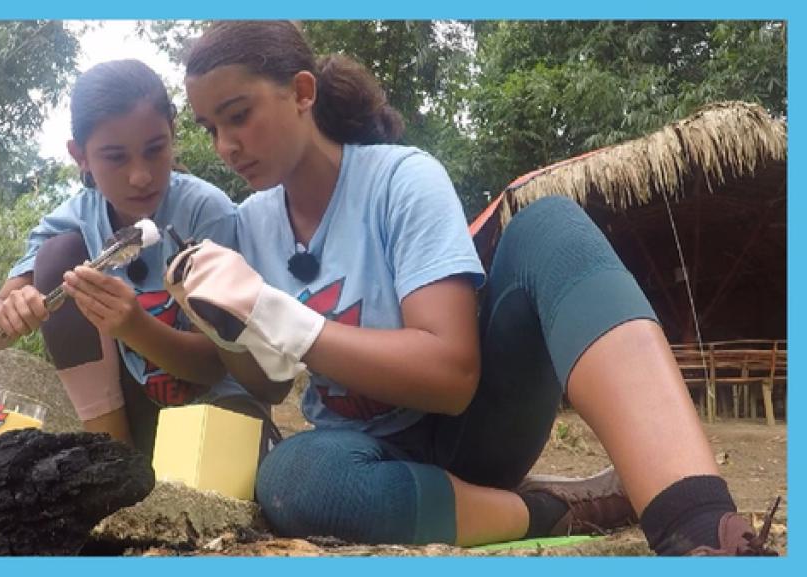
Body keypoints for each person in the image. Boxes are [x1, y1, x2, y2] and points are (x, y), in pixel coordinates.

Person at [163, 20, 778, 554]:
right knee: (294, 481)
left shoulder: (403, 179)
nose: (225, 146)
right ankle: (559, 508)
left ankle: (698, 526)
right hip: (363, 456)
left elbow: (452, 378)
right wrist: (228, 326)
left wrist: (277, 312)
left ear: (301, 92)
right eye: (209, 127)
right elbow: (269, 385)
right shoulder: (249, 226)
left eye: (238, 116)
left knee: (550, 226)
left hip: (473, 431)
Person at [0, 59, 272, 457]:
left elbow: (215, 366)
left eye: (155, 150)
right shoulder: (75, 219)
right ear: (80, 156)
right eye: (116, 157)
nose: (140, 176)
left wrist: (135, 327)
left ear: (172, 132)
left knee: (205, 487)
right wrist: (9, 316)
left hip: (214, 407)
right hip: (136, 410)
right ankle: (114, 454)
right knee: (57, 256)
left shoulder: (207, 212)